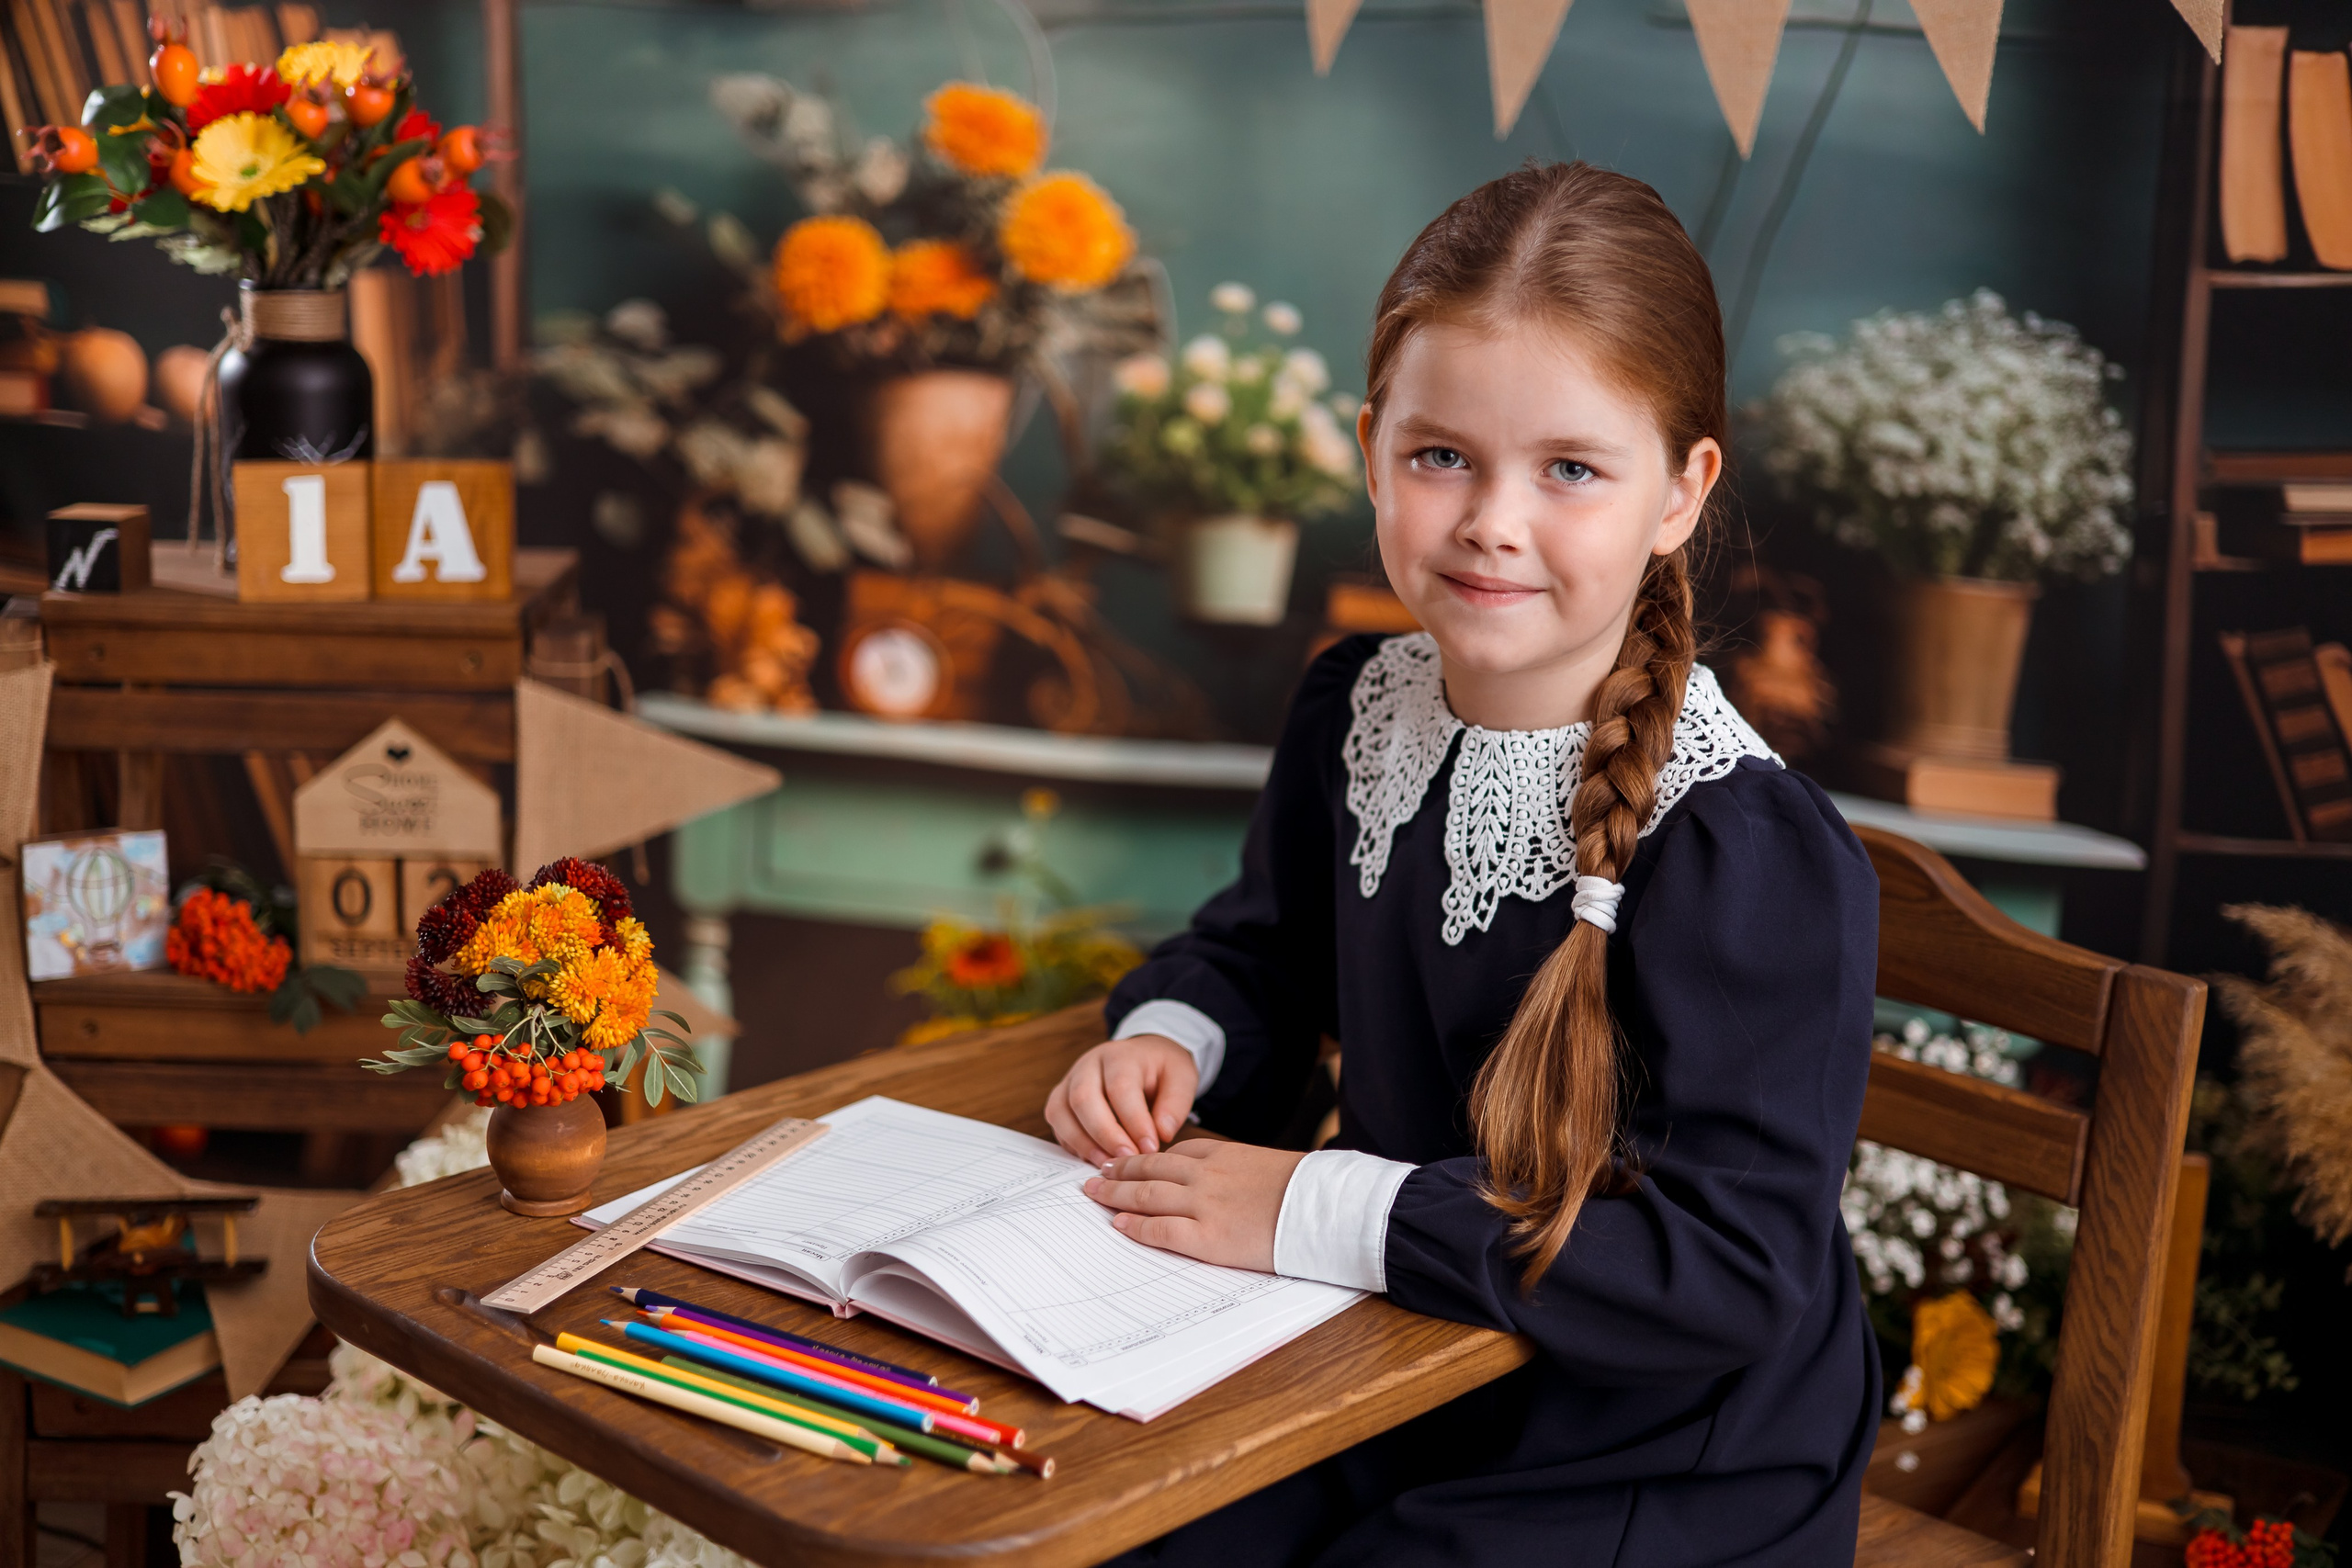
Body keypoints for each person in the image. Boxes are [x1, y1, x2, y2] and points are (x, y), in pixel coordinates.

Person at [1045, 161, 1882, 1568]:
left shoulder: (1740, 848)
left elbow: (1725, 1272)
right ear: (1372, 448)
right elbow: (1259, 954)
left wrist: (1314, 1206)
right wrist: (1172, 1042)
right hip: (1396, 1358)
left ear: (1680, 492)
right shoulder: (1355, 706)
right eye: (1442, 456)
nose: (1493, 519)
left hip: (1661, 1446)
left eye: (1571, 469)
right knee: (1107, 1535)